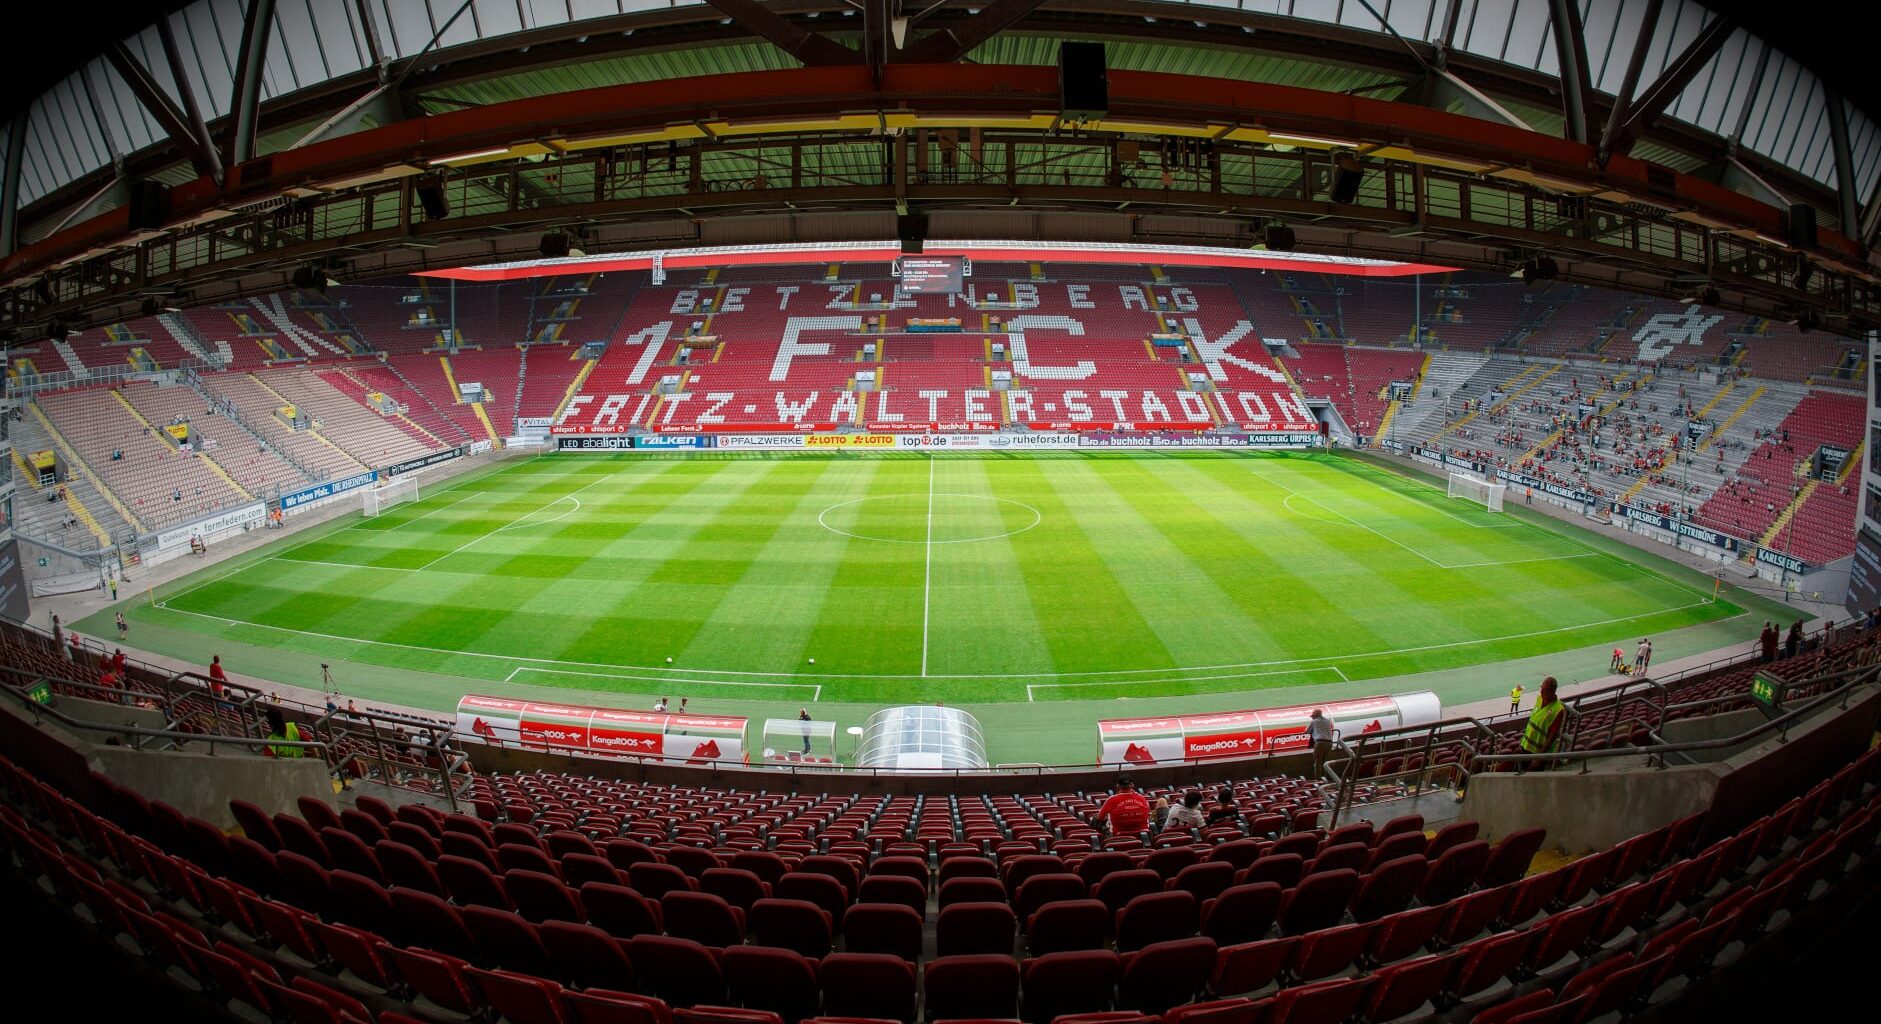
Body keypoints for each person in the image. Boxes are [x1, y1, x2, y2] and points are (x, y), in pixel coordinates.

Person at [1519, 676, 1568, 771]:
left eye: (1545, 690)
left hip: (1538, 752)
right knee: (1519, 772)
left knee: (1532, 777)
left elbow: (1552, 736)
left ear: (1552, 691)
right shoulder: (1539, 698)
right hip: (1526, 746)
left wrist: (1540, 757)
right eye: (1541, 688)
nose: (1541, 691)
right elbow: (1533, 721)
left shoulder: (1558, 710)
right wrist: (1523, 741)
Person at [1308, 709, 1336, 776]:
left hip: (1320, 743)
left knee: (1318, 763)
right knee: (1325, 762)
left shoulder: (1314, 721)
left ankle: (1318, 779)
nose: (1312, 717)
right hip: (1329, 743)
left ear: (1316, 715)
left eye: (1313, 716)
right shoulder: (1328, 720)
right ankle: (1325, 777)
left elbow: (1307, 731)